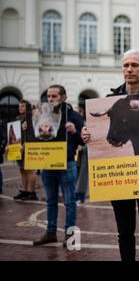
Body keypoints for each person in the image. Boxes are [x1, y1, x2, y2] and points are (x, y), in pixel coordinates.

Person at [82, 49, 139, 261]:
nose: (129, 69)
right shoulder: (109, 99)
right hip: (120, 175)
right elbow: (100, 131)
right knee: (124, 231)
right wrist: (88, 133)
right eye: (126, 65)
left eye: (135, 65)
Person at [33, 85, 84, 247]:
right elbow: (37, 138)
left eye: (54, 96)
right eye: (48, 96)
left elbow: (84, 140)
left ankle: (70, 236)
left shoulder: (74, 116)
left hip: (67, 165)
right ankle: (50, 233)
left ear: (63, 97)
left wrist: (75, 131)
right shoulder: (41, 115)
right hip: (47, 164)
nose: (50, 99)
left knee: (70, 202)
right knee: (50, 201)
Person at [13, 100, 38, 201]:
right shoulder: (18, 118)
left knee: (30, 170)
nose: (20, 108)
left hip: (28, 147)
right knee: (22, 170)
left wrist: (25, 145)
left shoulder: (31, 118)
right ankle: (24, 190)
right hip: (18, 149)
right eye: (19, 106)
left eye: (22, 106)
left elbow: (31, 134)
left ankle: (31, 192)